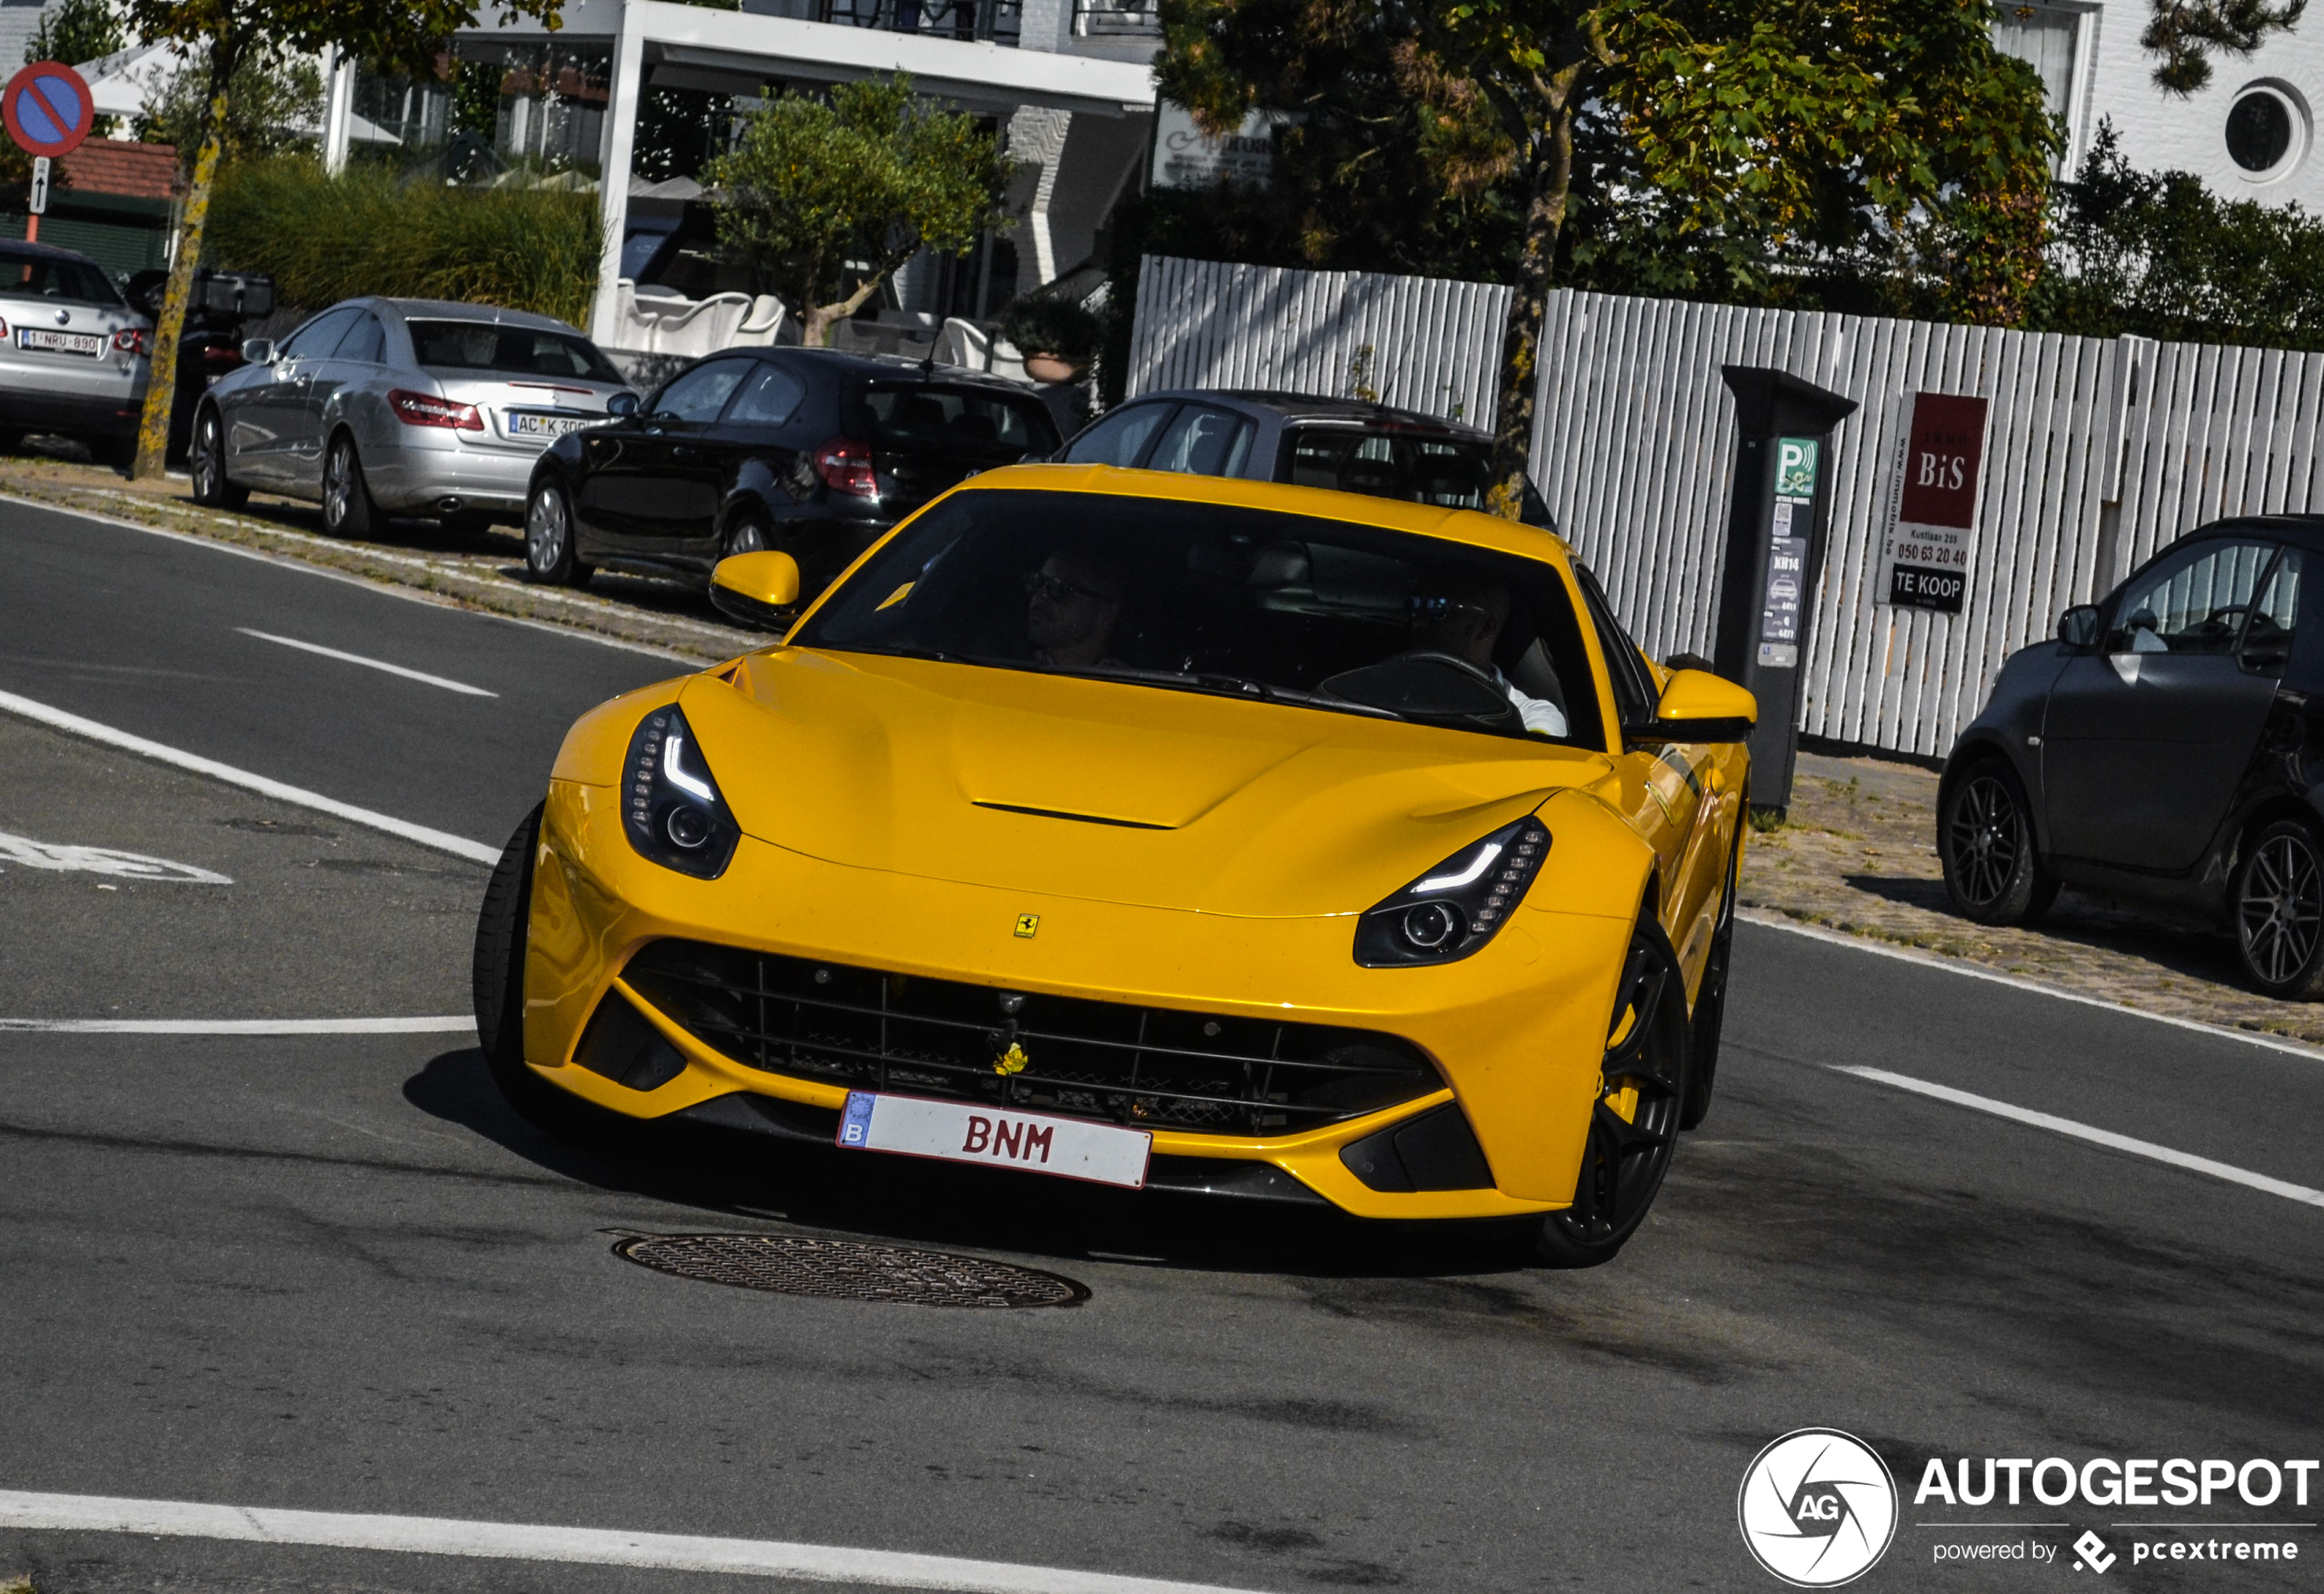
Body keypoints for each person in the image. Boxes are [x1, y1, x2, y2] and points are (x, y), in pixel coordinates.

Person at [1409, 574, 1567, 737]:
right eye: (1415, 606)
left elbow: (1533, 759)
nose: (1418, 622)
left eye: (1438, 609)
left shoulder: (1532, 717)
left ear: (1485, 628)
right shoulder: (1386, 682)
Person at [1026, 547, 1128, 667]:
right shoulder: (1009, 667)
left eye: (1059, 587)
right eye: (1037, 582)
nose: (1039, 596)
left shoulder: (1129, 682)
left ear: (1107, 612)